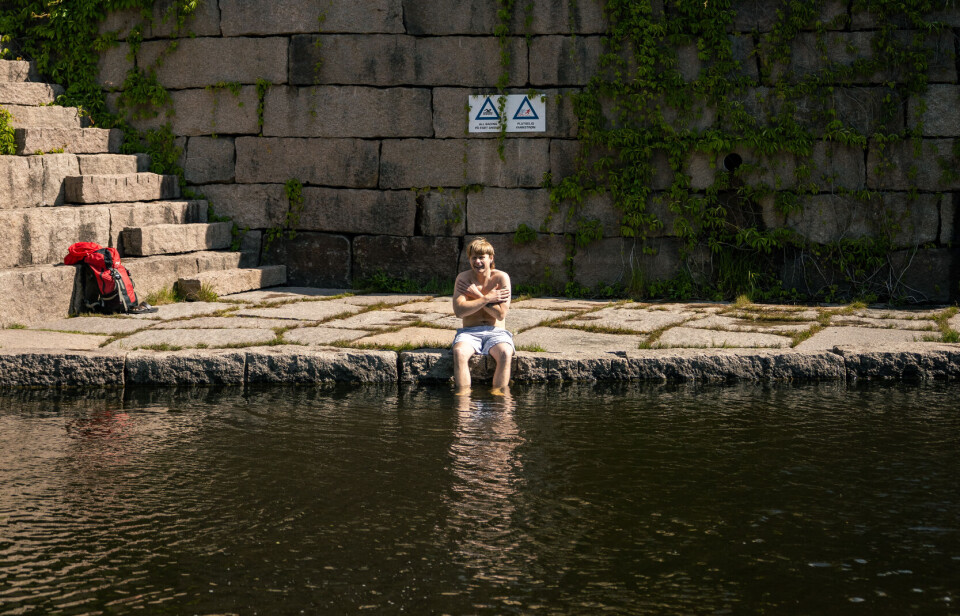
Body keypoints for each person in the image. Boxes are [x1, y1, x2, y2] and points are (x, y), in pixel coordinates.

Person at [452, 237, 513, 394]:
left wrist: (476, 295)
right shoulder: (463, 279)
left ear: (490, 258)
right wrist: (487, 298)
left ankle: (499, 394)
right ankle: (463, 396)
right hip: (469, 333)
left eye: (481, 257)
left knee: (506, 353)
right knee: (459, 352)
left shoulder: (501, 278)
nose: (477, 261)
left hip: (496, 332)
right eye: (474, 258)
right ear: (469, 259)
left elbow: (500, 314)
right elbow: (459, 311)